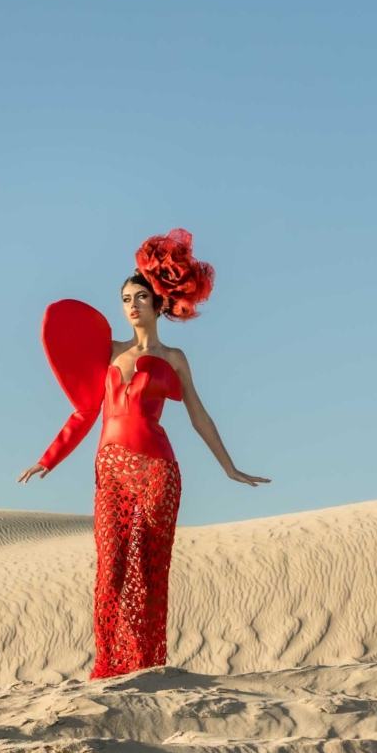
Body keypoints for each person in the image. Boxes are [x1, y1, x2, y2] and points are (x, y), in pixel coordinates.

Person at [17, 228, 270, 679]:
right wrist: (48, 458)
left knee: (149, 569)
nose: (130, 306)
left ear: (158, 304)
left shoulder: (173, 358)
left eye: (138, 298)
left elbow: (198, 416)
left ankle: (146, 664)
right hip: (110, 471)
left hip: (158, 471)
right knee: (112, 566)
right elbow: (85, 411)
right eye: (124, 299)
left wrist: (230, 468)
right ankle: (110, 665)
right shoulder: (109, 353)